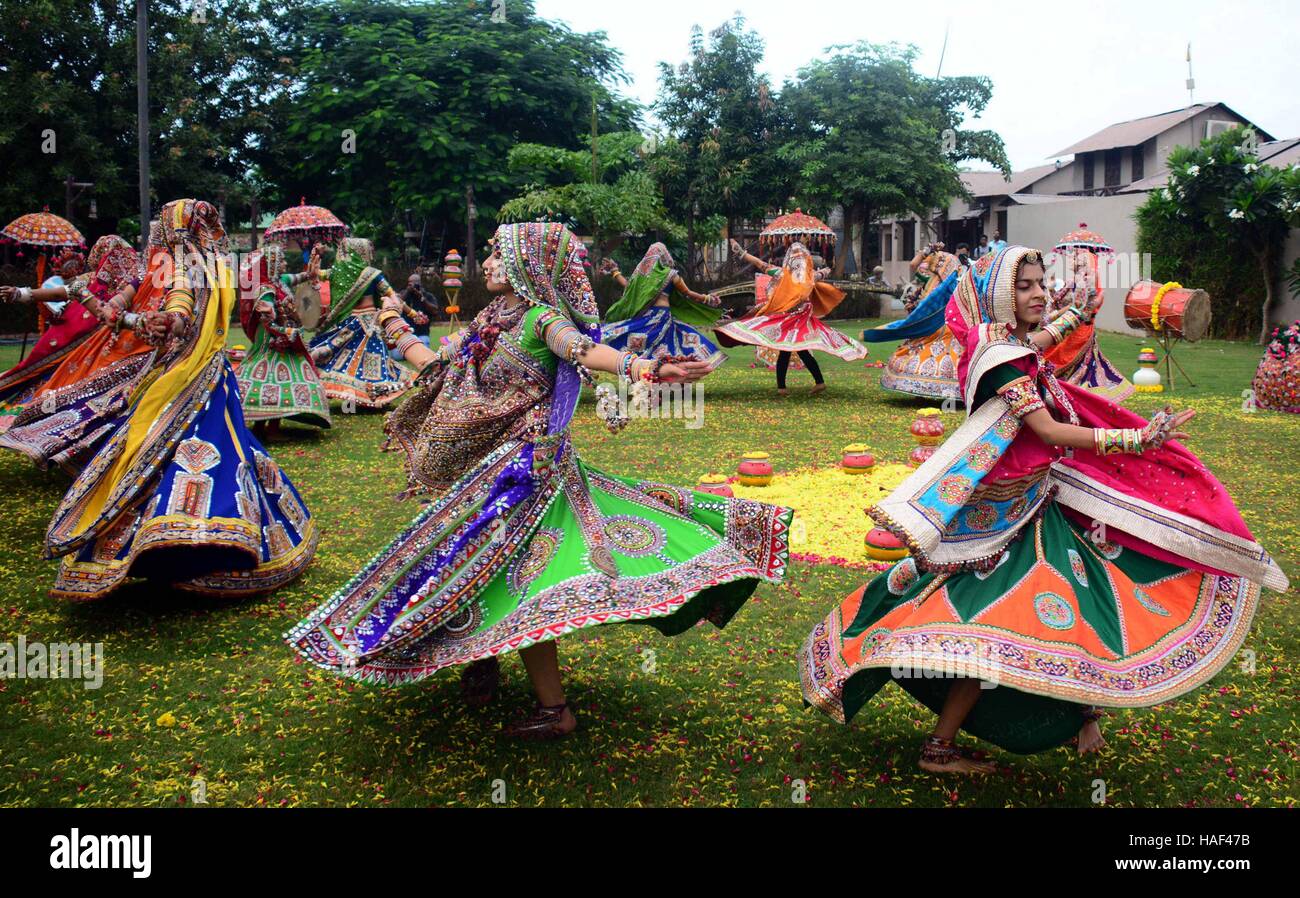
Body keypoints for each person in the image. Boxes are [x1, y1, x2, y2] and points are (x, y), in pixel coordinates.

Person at [287, 221, 792, 739]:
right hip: (485, 468)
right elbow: (439, 363)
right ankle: (481, 655)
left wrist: (645, 368)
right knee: (464, 564)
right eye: (488, 256)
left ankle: (554, 710)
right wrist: (392, 329)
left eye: (499, 257)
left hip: (530, 472)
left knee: (521, 580)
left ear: (530, 266)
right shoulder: (489, 317)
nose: (487, 265)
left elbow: (582, 350)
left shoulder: (541, 319)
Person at [800, 245, 1289, 773]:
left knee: (1080, 596)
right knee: (993, 625)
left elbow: (1036, 343)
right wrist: (1136, 438)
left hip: (1034, 500)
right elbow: (1049, 431)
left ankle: (1077, 711)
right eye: (1026, 286)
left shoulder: (999, 341)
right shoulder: (998, 356)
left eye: (1041, 283)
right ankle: (942, 746)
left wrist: (1073, 315)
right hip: (1005, 521)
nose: (1040, 293)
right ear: (998, 295)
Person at [44, 199, 317, 600]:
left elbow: (182, 306)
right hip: (209, 375)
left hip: (188, 377)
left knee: (170, 453)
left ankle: (184, 548)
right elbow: (181, 306)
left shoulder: (190, 267)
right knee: (218, 454)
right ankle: (202, 544)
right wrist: (160, 319)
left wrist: (169, 321)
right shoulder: (219, 268)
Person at [0, 235, 148, 469]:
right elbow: (63, 292)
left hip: (121, 355)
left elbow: (111, 310)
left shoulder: (139, 284)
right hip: (80, 355)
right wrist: (22, 293)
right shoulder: (93, 280)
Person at [718, 238, 868, 396]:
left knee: (787, 350)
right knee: (800, 351)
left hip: (790, 323)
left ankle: (785, 387)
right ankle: (817, 382)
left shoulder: (784, 274)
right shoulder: (809, 277)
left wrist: (742, 253)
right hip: (800, 324)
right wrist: (827, 269)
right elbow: (821, 274)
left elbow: (761, 264)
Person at [306, 238, 425, 409]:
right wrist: (411, 313)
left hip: (349, 323)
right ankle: (371, 396)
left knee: (343, 358)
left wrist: (314, 258)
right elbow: (393, 296)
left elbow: (315, 274)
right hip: (369, 323)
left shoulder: (337, 271)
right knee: (372, 360)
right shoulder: (372, 274)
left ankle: (348, 395)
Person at [236, 242, 332, 435]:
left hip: (286, 336)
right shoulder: (266, 289)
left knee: (284, 376)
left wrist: (314, 261)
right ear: (271, 264)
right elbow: (265, 314)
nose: (285, 265)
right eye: (281, 261)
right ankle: (264, 426)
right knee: (268, 375)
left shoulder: (282, 282)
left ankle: (270, 426)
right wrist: (277, 325)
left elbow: (304, 276)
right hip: (271, 338)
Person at [598, 243, 726, 371]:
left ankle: (654, 368)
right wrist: (707, 298)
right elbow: (688, 293)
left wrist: (615, 272)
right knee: (670, 338)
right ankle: (668, 368)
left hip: (648, 316)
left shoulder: (642, 277)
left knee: (647, 337)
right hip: (662, 316)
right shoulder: (671, 275)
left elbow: (627, 285)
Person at [1042, 225, 1133, 402]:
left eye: (1076, 256)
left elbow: (1083, 307)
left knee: (1073, 362)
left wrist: (1064, 309)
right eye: (1072, 255)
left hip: (1078, 329)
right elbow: (1060, 300)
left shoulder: (1088, 280)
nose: (1071, 258)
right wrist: (1052, 292)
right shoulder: (1071, 280)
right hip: (1065, 326)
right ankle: (1062, 392)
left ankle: (1072, 394)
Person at [864, 243, 963, 401]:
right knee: (936, 355)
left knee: (927, 354)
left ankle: (925, 389)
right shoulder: (943, 283)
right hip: (941, 326)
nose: (928, 267)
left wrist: (927, 250)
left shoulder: (941, 288)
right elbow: (914, 266)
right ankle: (930, 390)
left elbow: (913, 265)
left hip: (937, 326)